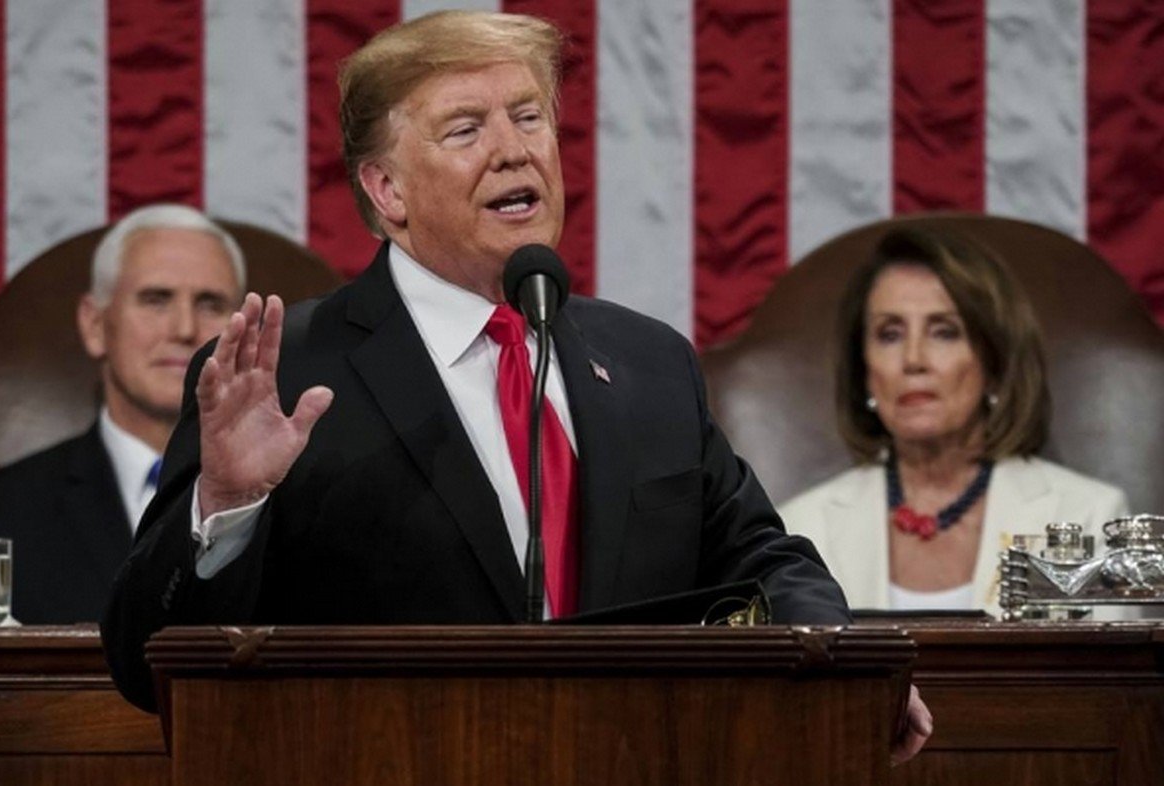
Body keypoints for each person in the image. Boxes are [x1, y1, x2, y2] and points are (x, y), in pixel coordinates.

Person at [100, 11, 930, 762]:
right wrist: (227, 507)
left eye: (529, 117)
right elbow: (145, 666)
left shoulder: (649, 363)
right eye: (466, 129)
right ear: (387, 190)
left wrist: (849, 667)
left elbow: (760, 559)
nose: (514, 149)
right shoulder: (287, 376)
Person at [780, 227, 1129, 616]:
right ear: (864, 370)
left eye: (944, 332)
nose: (914, 359)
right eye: (890, 334)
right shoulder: (802, 529)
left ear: (995, 363)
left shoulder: (1087, 517)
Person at [0, 204, 245, 624]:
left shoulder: (301, 507)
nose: (185, 328)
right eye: (156, 300)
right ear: (96, 325)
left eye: (210, 304)